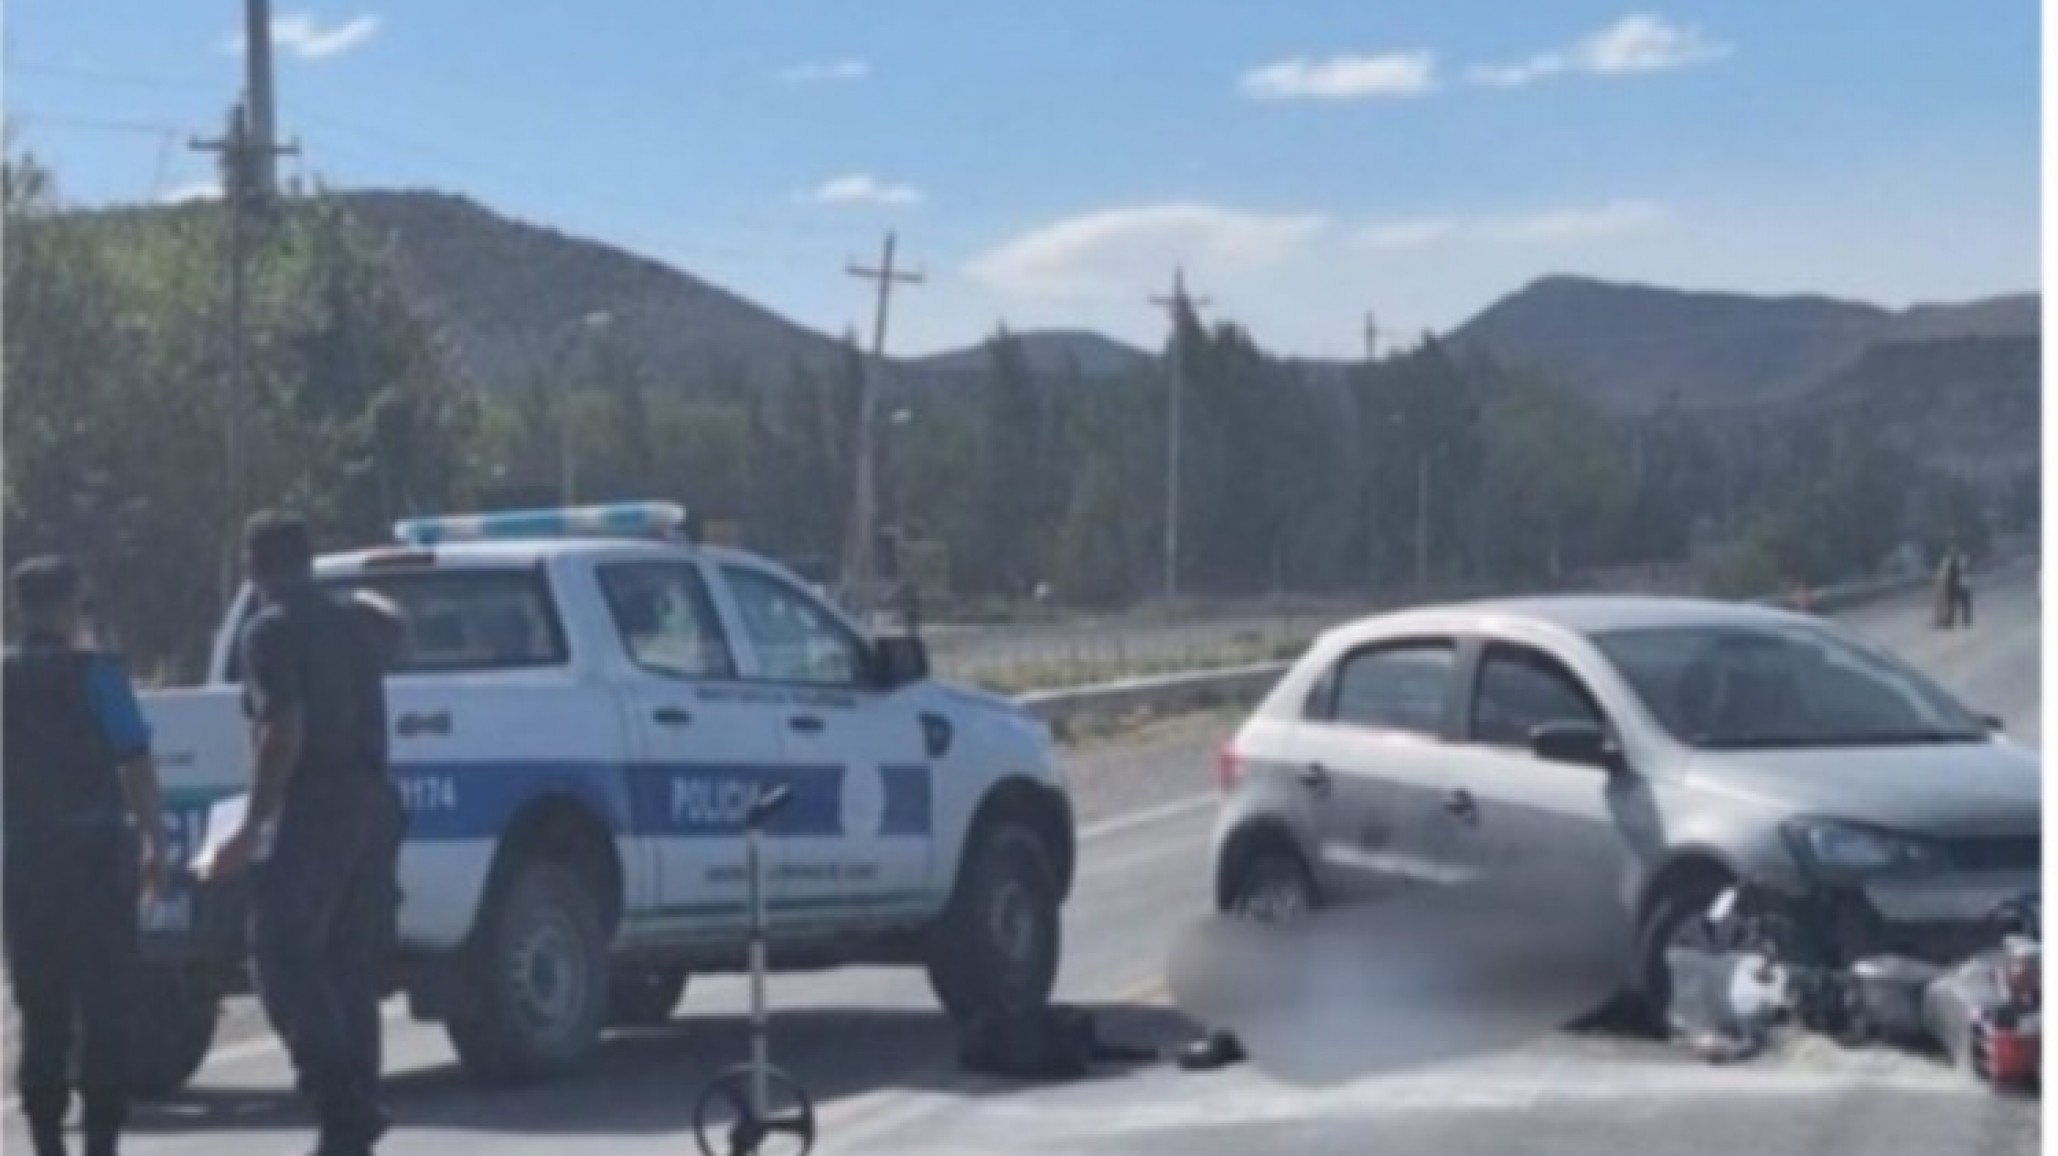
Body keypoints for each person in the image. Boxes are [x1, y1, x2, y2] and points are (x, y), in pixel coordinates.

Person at [204, 513, 396, 1156]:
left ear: (253, 565)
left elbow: (283, 728)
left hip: (316, 804)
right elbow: (398, 628)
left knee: (281, 955)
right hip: (371, 800)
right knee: (346, 961)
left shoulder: (270, 630)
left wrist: (252, 826)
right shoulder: (350, 621)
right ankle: (356, 1114)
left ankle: (340, 1102)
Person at [3, 556, 166, 1156]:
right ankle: (101, 1142)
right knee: (104, 1007)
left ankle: (47, 1139)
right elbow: (135, 760)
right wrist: (157, 841)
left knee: (40, 1006)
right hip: (97, 855)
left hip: (26, 857)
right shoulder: (98, 672)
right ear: (73, 602)